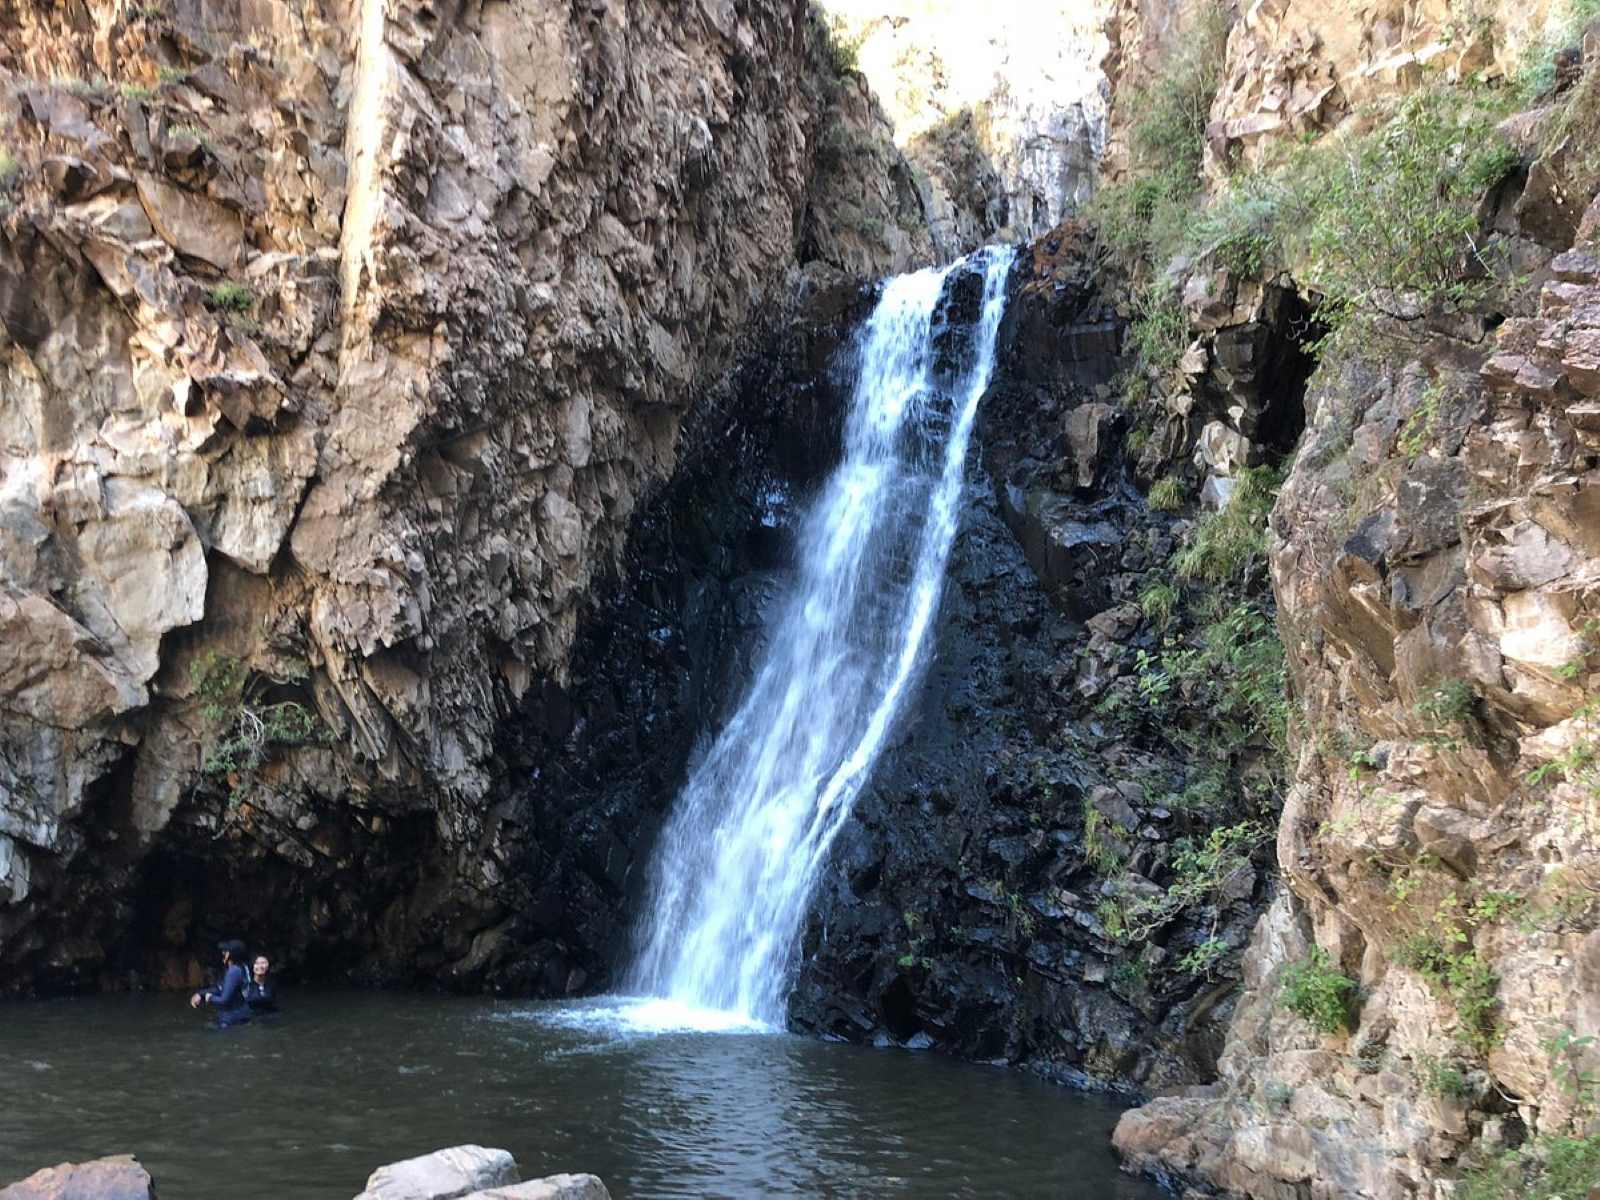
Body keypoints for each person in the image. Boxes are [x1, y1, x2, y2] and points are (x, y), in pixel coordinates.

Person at [190, 939, 250, 1026]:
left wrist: (209, 997)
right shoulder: (242, 968)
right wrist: (201, 994)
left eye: (226, 951)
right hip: (241, 1015)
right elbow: (220, 988)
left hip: (231, 1018)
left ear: (232, 954)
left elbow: (224, 1000)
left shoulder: (233, 971)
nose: (223, 953)